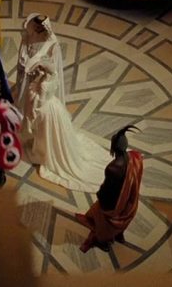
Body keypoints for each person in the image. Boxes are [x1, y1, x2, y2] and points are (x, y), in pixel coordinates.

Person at [22, 60, 111, 192]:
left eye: (40, 69)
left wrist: (34, 113)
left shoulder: (43, 84)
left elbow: (40, 103)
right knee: (55, 135)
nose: (38, 71)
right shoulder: (53, 76)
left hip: (46, 112)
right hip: (55, 107)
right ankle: (48, 149)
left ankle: (45, 153)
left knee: (47, 135)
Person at [75, 125, 143, 253]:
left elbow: (107, 190)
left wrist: (100, 195)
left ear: (114, 148)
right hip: (130, 202)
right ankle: (119, 234)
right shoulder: (136, 157)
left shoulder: (113, 168)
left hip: (114, 205)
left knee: (102, 218)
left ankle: (103, 241)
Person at [13, 13, 65, 113]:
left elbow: (53, 64)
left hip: (40, 76)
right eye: (36, 25)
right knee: (25, 96)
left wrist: (41, 67)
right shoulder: (28, 36)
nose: (37, 28)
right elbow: (23, 52)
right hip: (27, 74)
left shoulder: (52, 42)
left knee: (37, 100)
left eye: (40, 26)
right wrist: (25, 63)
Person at [0, 99, 23, 187]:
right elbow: (17, 123)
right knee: (0, 162)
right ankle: (0, 181)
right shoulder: (5, 108)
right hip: (5, 141)